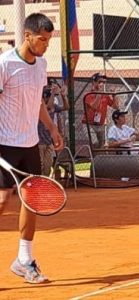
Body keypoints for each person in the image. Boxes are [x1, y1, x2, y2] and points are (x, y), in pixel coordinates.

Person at [0, 13, 63, 283]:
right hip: (5, 143)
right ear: (27, 36)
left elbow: (38, 102)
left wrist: (51, 128)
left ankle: (24, 260)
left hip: (30, 144)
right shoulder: (4, 64)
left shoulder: (41, 64)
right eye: (42, 39)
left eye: (49, 40)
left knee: (31, 200)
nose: (46, 44)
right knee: (2, 201)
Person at [38, 81, 69, 176]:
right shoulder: (40, 107)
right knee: (40, 164)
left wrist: (63, 96)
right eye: (48, 97)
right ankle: (38, 184)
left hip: (48, 141)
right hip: (39, 142)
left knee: (48, 164)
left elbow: (66, 107)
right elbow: (48, 107)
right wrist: (52, 93)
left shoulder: (54, 107)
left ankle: (44, 182)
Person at [82, 73, 118, 148]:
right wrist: (99, 93)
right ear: (94, 82)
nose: (102, 84)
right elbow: (94, 106)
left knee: (101, 145)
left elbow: (115, 106)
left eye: (104, 82)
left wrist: (114, 95)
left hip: (100, 124)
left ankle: (98, 158)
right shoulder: (88, 94)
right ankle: (94, 158)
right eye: (100, 82)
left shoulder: (105, 95)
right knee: (94, 143)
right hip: (89, 124)